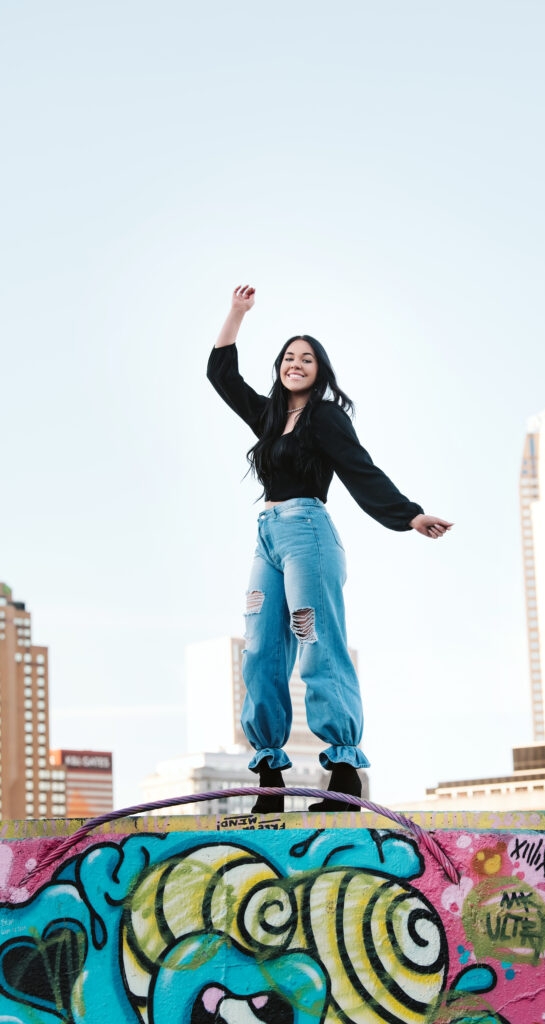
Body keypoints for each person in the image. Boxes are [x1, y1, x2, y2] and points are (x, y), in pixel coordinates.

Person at [207, 284, 452, 812]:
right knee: (259, 648)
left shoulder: (325, 417)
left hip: (308, 534)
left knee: (315, 641)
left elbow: (361, 468)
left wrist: (409, 515)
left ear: (321, 370)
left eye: (307, 358)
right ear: (279, 367)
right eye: (290, 358)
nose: (297, 364)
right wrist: (237, 313)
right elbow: (220, 375)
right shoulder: (270, 418)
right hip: (267, 537)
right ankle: (269, 779)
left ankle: (343, 775)